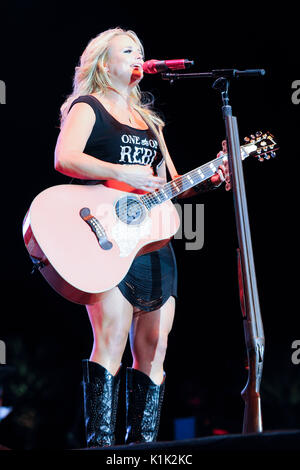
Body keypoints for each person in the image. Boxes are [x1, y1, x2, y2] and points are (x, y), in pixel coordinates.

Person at [54, 27, 230, 448]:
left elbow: (172, 184)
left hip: (153, 243)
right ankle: (101, 447)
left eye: (141, 51)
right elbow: (64, 157)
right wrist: (122, 172)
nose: (138, 57)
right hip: (106, 241)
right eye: (128, 50)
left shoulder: (150, 122)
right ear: (103, 63)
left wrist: (212, 174)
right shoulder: (88, 106)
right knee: (111, 339)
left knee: (154, 351)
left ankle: (142, 450)